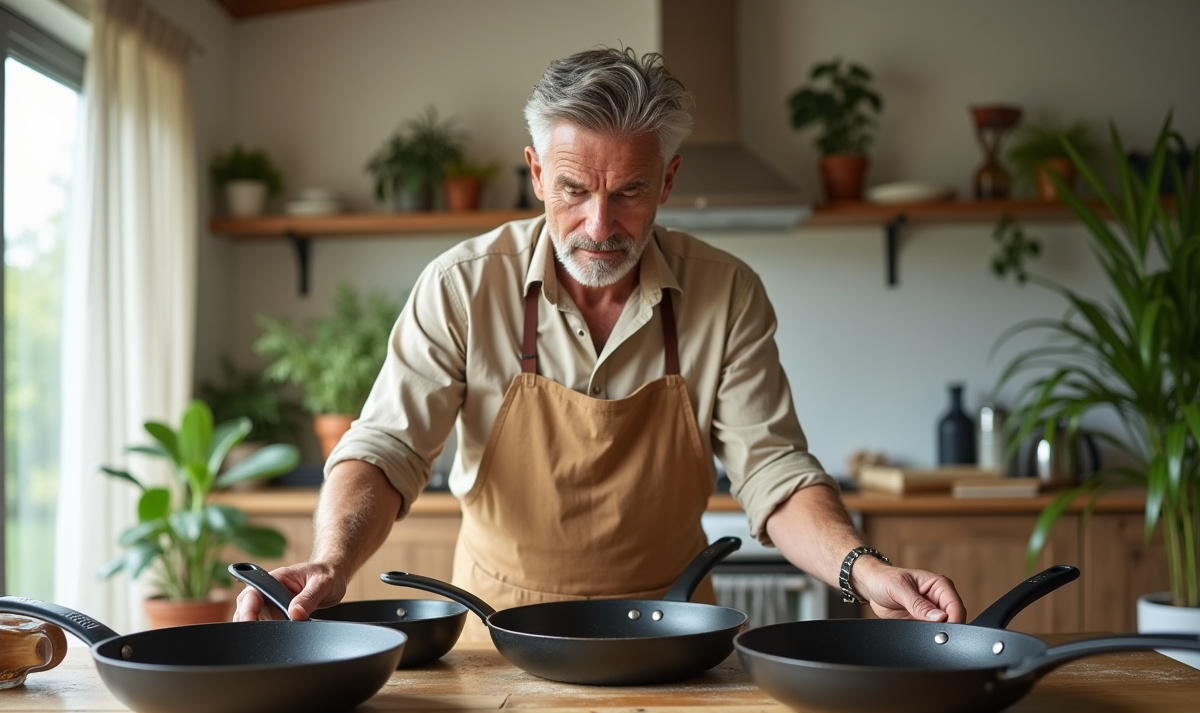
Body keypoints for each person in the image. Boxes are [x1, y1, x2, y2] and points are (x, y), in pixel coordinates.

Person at [234, 47, 965, 633]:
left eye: (630, 192)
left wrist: (862, 567)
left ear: (669, 180)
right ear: (535, 174)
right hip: (497, 631)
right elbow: (385, 449)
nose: (600, 226)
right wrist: (330, 562)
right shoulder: (462, 285)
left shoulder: (726, 292)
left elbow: (773, 472)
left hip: (674, 631)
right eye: (575, 190)